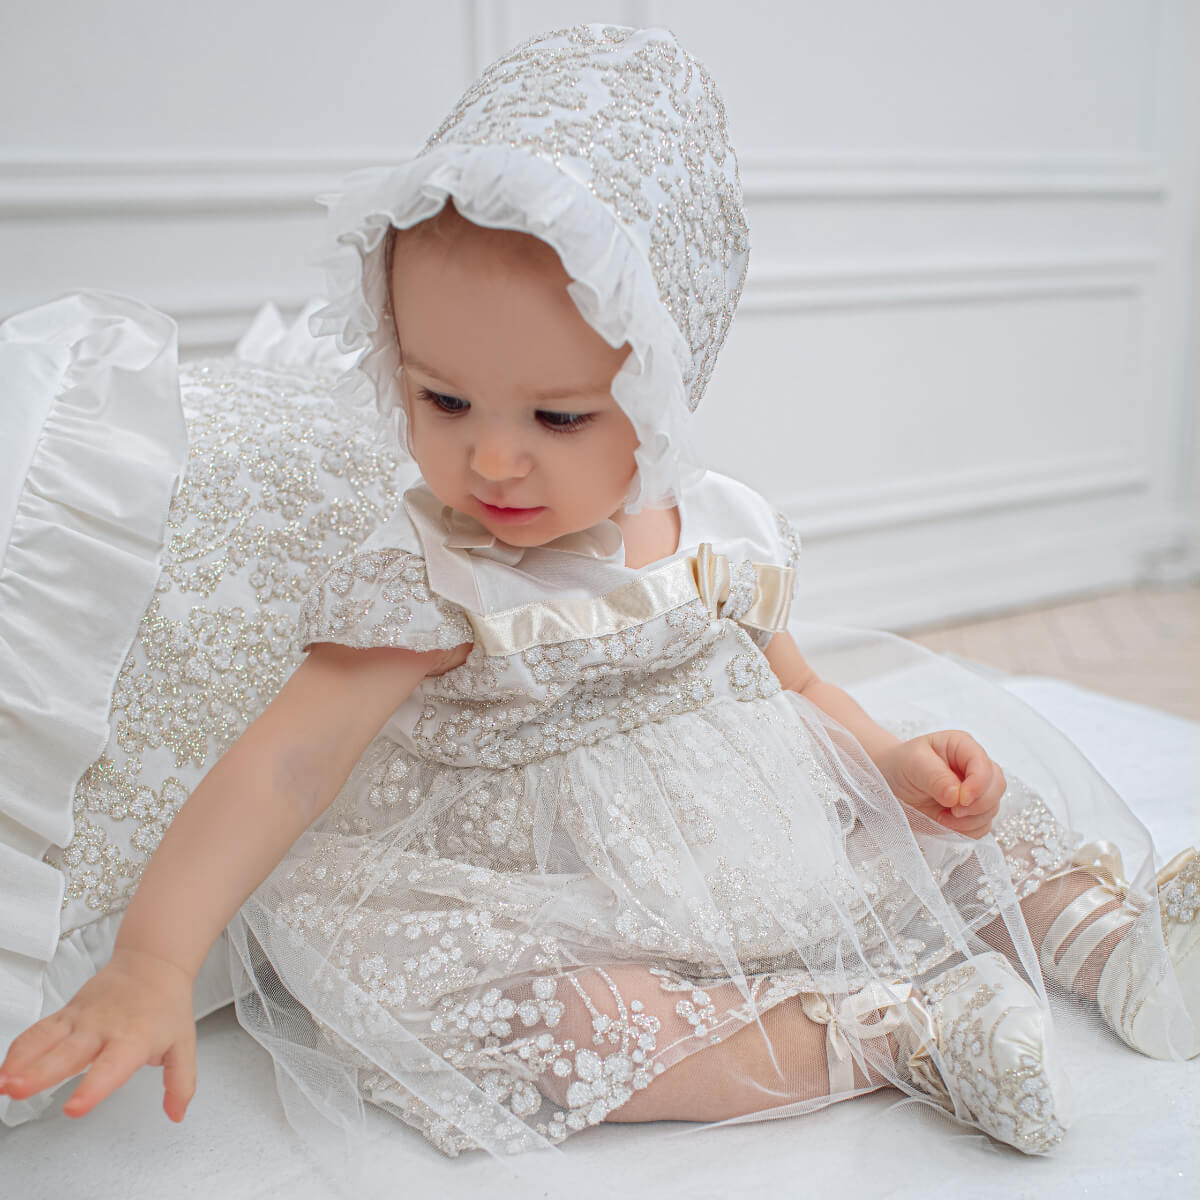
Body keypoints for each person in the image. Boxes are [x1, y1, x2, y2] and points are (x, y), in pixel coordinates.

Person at [0, 24, 1196, 1170]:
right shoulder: (428, 569)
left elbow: (795, 681)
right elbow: (286, 766)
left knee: (967, 829)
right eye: (443, 401)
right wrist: (154, 959)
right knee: (522, 1028)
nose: (494, 462)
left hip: (757, 816)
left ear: (669, 377)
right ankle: (889, 1037)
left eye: (559, 416)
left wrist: (886, 764)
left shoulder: (723, 525)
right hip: (531, 881)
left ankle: (1113, 950)